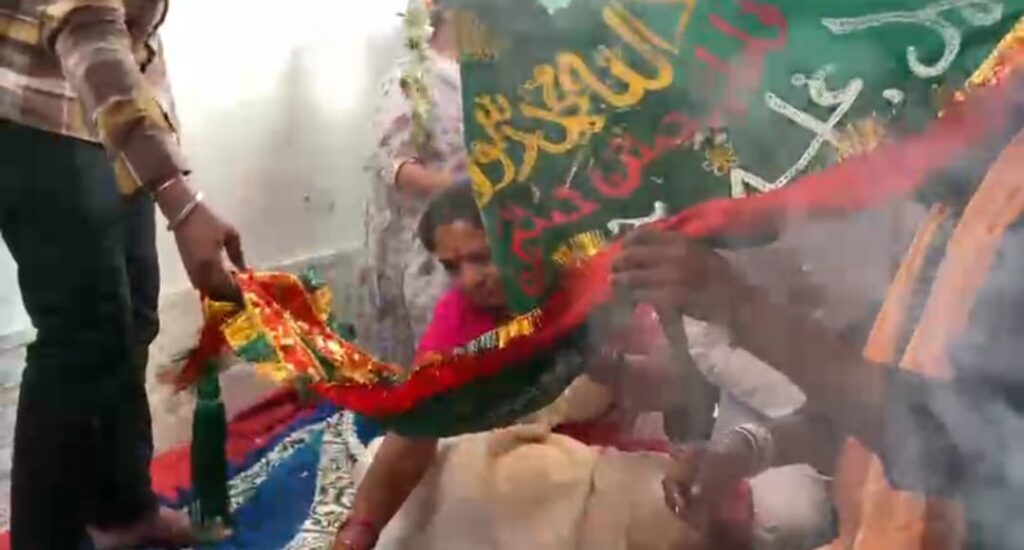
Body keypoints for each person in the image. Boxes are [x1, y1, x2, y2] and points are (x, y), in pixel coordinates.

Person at [611, 124, 1024, 548]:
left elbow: (950, 443)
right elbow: (868, 417)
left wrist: (740, 307)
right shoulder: (971, 196)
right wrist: (748, 450)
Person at [335, 186, 704, 550]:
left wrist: (604, 366)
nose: (469, 280)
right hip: (501, 464)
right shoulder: (458, 316)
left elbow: (684, 389)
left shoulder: (596, 285)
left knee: (671, 511)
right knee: (380, 465)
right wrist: (358, 534)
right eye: (453, 266)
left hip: (593, 463)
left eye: (482, 258)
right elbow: (417, 430)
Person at [1, 2, 245, 548]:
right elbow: (87, 28)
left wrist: (159, 149)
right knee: (81, 337)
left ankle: (121, 510)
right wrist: (180, 204)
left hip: (107, 111)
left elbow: (124, 34)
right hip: (31, 109)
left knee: (132, 313)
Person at [359, 3, 468, 367]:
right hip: (432, 250)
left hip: (489, 242)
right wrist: (467, 192)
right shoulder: (414, 78)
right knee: (434, 366)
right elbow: (395, 167)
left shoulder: (496, 75)